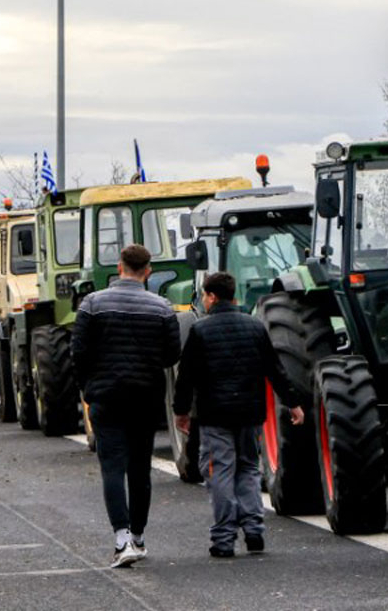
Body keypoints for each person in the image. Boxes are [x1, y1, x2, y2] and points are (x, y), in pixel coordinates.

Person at [172, 272, 305, 558]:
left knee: (219, 471)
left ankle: (224, 538)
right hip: (249, 412)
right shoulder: (254, 327)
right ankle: (254, 529)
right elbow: (275, 370)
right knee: (248, 469)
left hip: (214, 415)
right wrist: (292, 403)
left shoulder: (200, 331)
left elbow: (186, 377)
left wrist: (181, 412)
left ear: (211, 297)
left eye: (205, 296)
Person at [72, 243, 182, 568]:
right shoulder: (162, 308)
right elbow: (172, 355)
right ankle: (139, 535)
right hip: (145, 397)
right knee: (139, 469)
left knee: (112, 468)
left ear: (119, 267)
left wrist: (88, 387)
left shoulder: (92, 304)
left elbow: (78, 352)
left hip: (105, 395)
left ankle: (121, 539)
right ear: (148, 271)